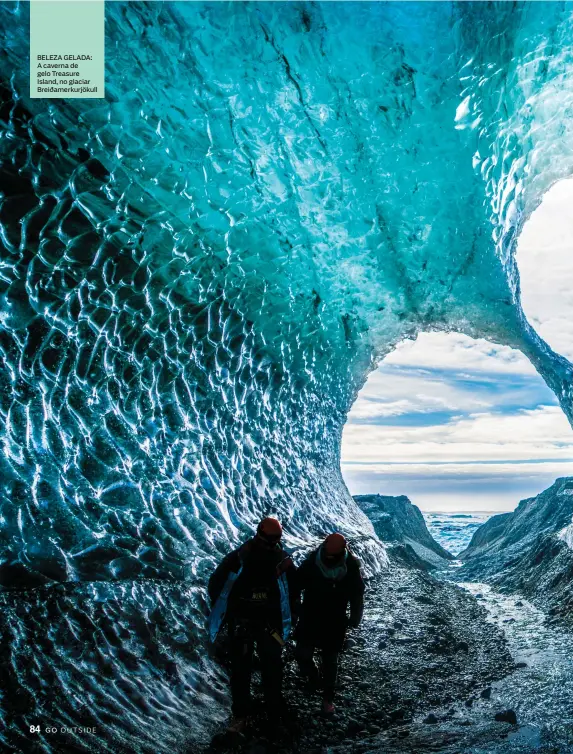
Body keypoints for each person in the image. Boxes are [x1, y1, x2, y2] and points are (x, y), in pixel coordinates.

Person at [207, 517, 297, 734]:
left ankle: (251, 714)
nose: (273, 542)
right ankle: (265, 712)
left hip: (254, 622)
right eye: (272, 538)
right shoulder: (273, 559)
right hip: (255, 623)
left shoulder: (243, 557)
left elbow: (216, 585)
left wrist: (228, 612)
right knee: (261, 668)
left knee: (255, 668)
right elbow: (294, 592)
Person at [295, 532, 365, 715]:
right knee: (303, 654)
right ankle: (313, 677)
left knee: (331, 661)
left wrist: (355, 617)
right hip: (311, 616)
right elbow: (296, 584)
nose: (329, 557)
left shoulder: (350, 567)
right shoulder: (312, 562)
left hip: (335, 620)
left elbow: (357, 594)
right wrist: (294, 611)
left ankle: (328, 699)